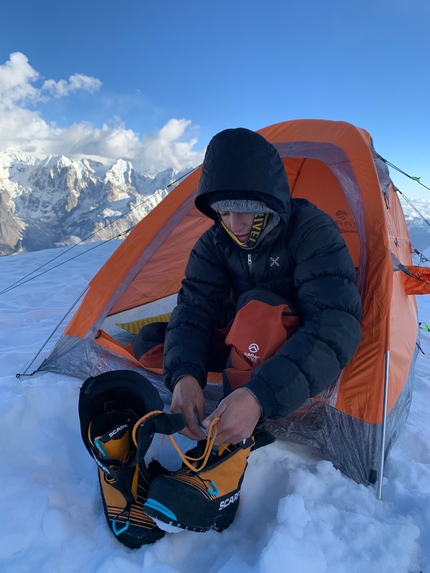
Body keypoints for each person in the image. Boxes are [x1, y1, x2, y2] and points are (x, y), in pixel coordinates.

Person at [80, 127, 362, 545]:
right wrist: (185, 377)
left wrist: (259, 396)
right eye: (224, 211)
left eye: (248, 209)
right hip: (240, 339)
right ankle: (126, 457)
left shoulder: (311, 232)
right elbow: (193, 309)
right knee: (158, 340)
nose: (237, 223)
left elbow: (335, 323)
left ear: (272, 200)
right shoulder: (214, 243)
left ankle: (223, 459)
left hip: (284, 339)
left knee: (259, 313)